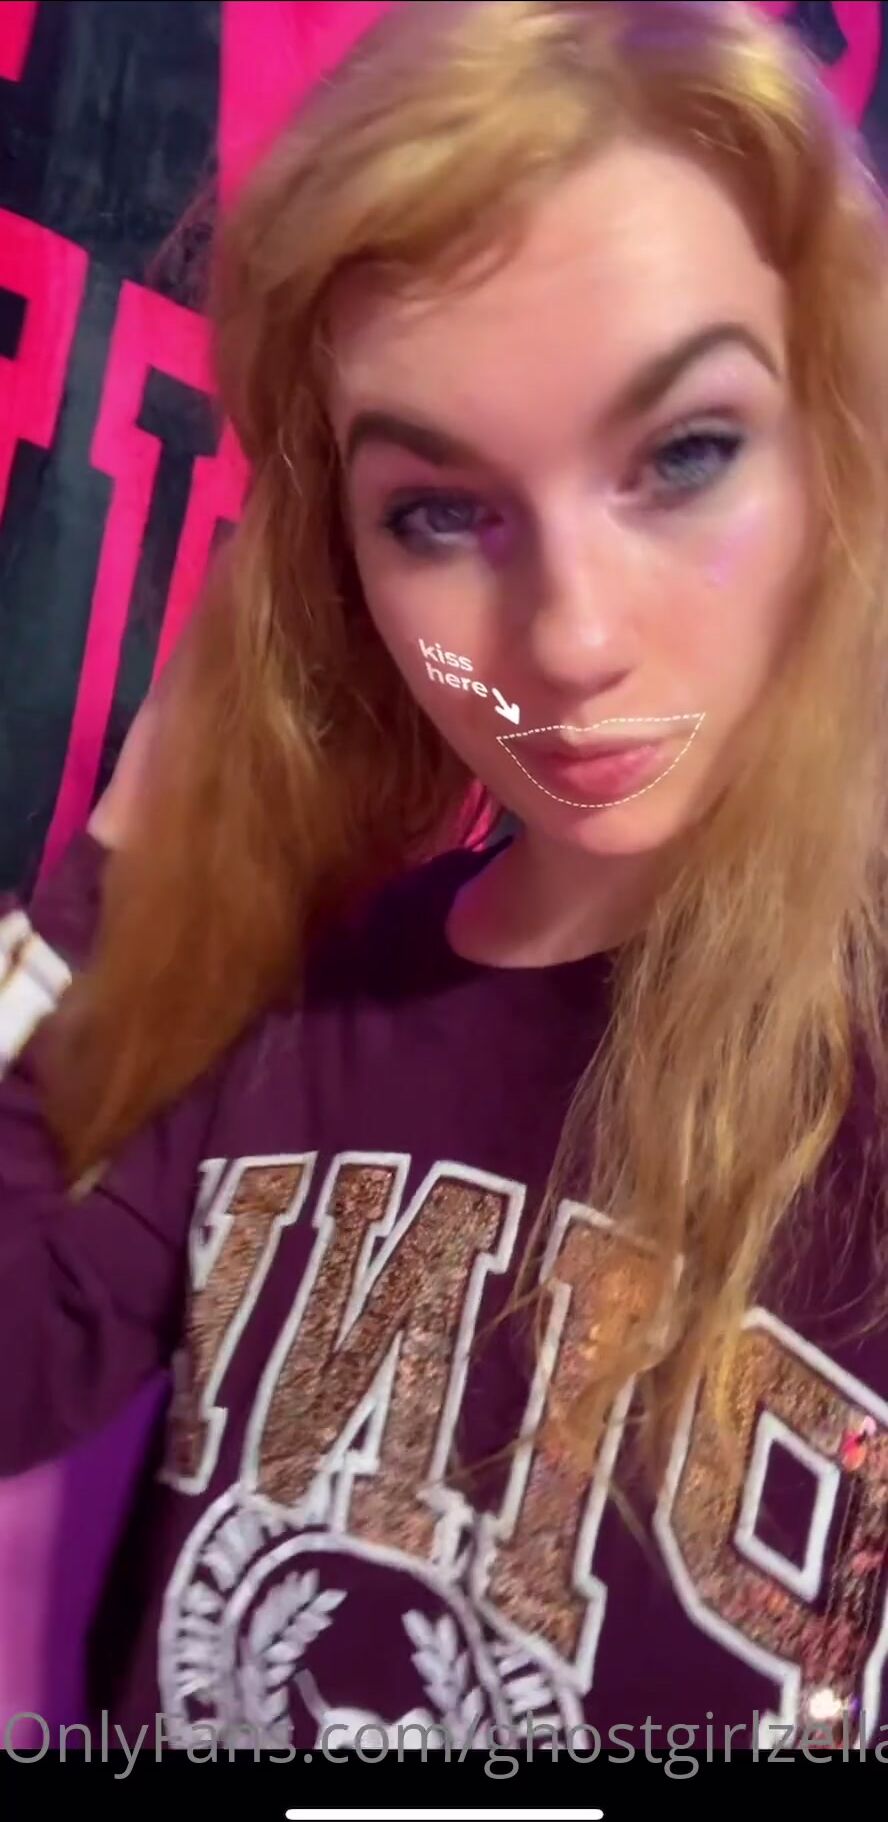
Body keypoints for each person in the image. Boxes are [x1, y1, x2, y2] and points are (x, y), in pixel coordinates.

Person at [1, 0, 887, 1760]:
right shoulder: (303, 1004)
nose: (569, 635)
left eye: (684, 455)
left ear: (836, 448)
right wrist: (134, 857)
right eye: (438, 511)